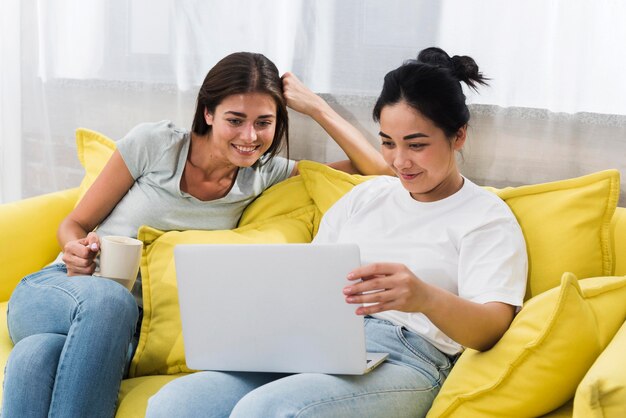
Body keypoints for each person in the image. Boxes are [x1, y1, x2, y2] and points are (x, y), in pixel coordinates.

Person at [144, 47, 529, 418]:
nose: (399, 161)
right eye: (388, 143)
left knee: (268, 410)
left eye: (417, 145)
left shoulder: (485, 217)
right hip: (317, 346)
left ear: (458, 136)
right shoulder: (366, 196)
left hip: (407, 358)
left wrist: (424, 297)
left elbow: (492, 327)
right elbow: (309, 286)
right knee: (175, 404)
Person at [1, 52, 389, 418]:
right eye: (235, 120)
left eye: (263, 123)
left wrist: (318, 108)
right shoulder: (155, 145)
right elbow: (74, 223)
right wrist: (75, 248)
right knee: (110, 299)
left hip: (122, 333)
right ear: (208, 112)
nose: (249, 136)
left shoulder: (262, 174)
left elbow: (378, 172)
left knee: (35, 355)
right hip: (57, 291)